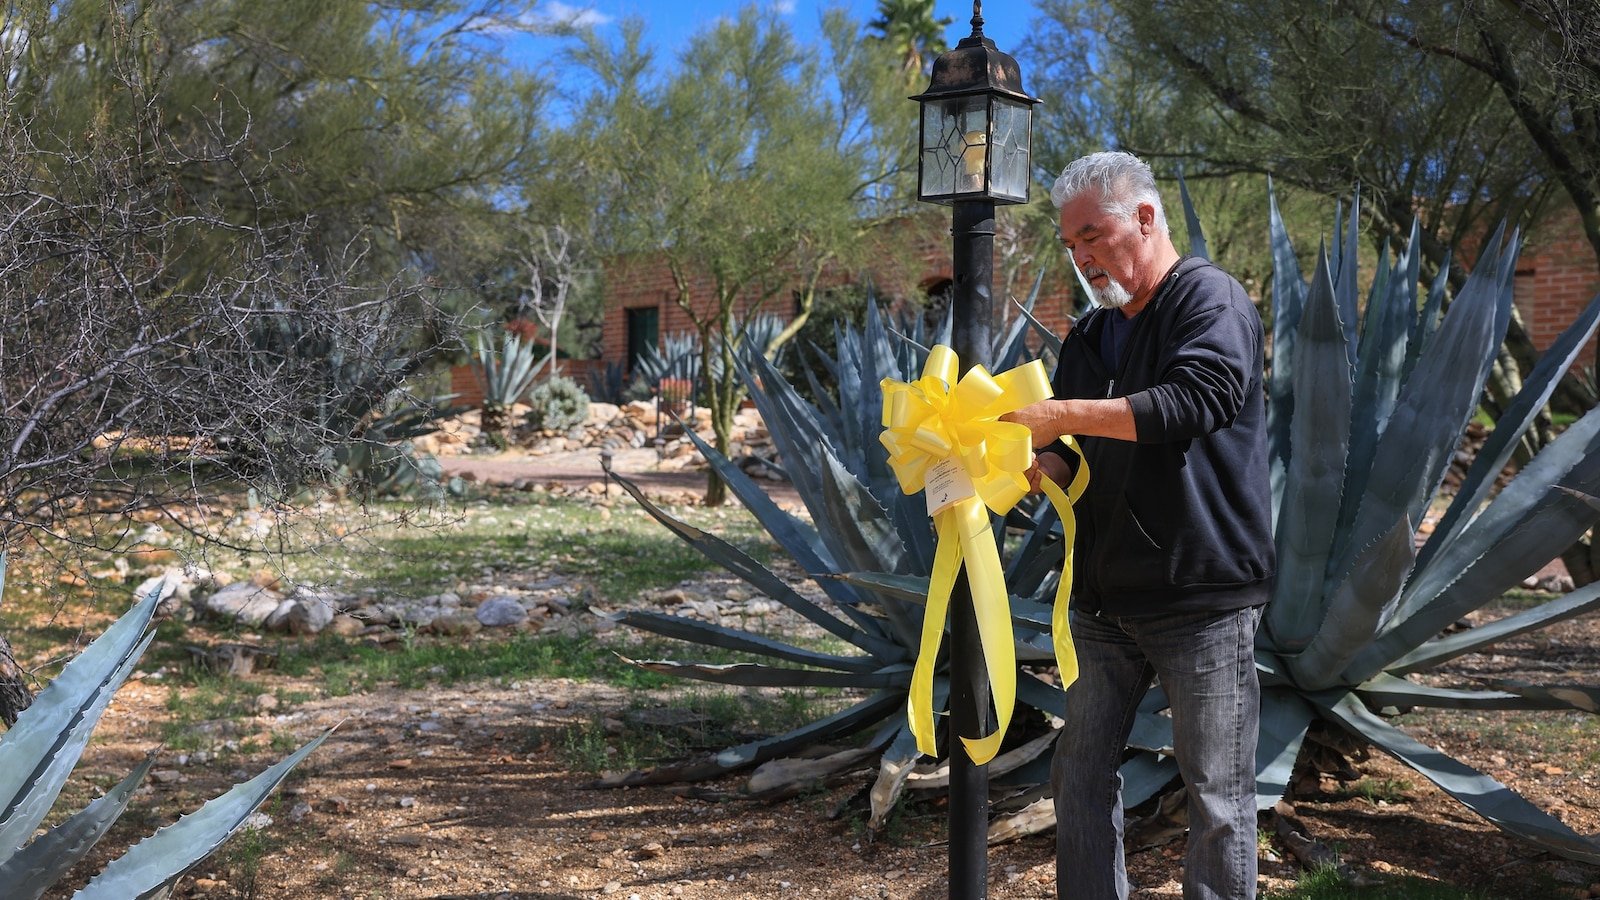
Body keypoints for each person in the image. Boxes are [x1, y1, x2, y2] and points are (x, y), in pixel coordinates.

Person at [1002, 151, 1275, 900]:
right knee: (1080, 776)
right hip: (1102, 601)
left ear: (1146, 218)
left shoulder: (1209, 299)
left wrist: (1059, 415)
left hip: (1202, 597)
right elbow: (1068, 455)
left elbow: (1194, 401)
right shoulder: (1091, 339)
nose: (1082, 256)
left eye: (1093, 235)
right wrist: (1031, 466)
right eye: (1072, 244)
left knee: (1217, 796)